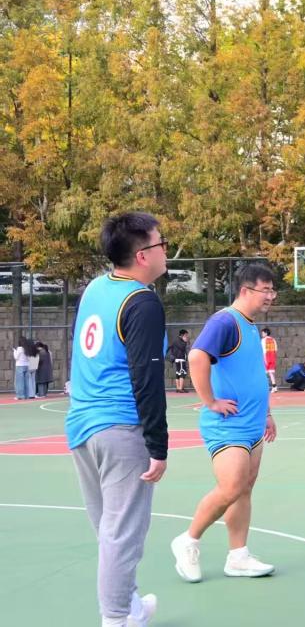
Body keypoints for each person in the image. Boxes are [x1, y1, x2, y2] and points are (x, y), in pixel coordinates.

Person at [65, 211, 169, 627]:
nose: (165, 251)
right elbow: (147, 377)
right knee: (122, 534)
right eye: (161, 244)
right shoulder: (142, 302)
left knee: (109, 530)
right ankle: (115, 618)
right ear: (143, 255)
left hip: (82, 425)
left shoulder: (96, 288)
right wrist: (158, 445)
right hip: (121, 428)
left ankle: (131, 608)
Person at [171, 264, 279, 583]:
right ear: (245, 290)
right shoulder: (225, 321)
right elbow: (197, 357)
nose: (270, 296)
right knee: (231, 487)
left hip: (252, 424)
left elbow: (252, 373)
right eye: (265, 290)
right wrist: (210, 401)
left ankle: (238, 556)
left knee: (244, 489)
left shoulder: (249, 325)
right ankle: (188, 540)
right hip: (227, 424)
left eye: (272, 290)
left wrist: (267, 413)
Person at [260, 328, 278, 392]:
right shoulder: (273, 340)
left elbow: (262, 350)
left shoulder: (263, 340)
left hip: (266, 357)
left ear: (266, 333)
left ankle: (264, 387)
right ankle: (274, 386)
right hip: (272, 357)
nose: (262, 334)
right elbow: (276, 349)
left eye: (262, 333)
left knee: (264, 373)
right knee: (271, 373)